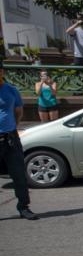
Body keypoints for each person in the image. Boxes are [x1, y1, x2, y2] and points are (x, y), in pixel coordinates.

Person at [0, 63, 37, 220]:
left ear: (1, 72)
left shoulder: (11, 90)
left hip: (10, 138)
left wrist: (11, 128)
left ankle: (23, 206)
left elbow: (18, 112)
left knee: (19, 174)